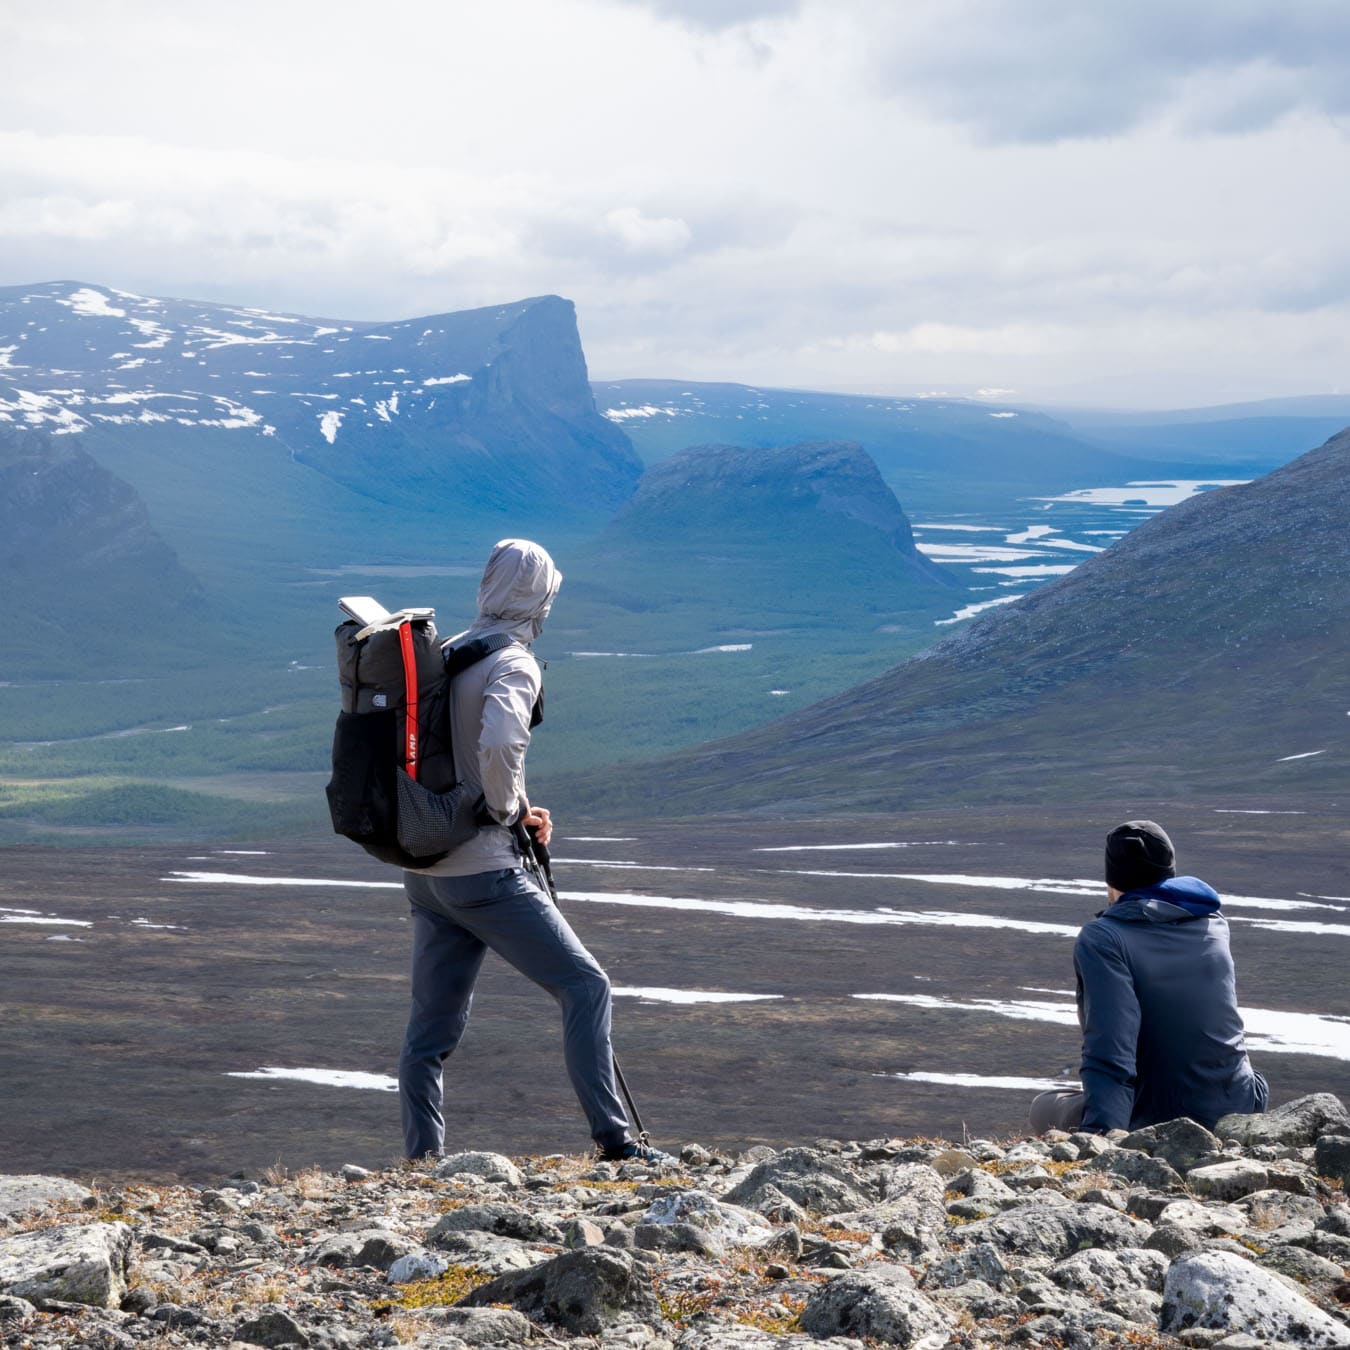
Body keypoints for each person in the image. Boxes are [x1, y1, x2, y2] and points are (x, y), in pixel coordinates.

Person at [398, 538, 668, 1165]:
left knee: (430, 1031)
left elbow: (454, 754)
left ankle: (421, 1161)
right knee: (585, 986)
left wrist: (516, 805)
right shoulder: (513, 663)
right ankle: (616, 1142)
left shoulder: (444, 654)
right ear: (541, 598)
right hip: (485, 872)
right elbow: (496, 749)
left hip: (426, 870)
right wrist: (504, 812)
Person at [1029, 820, 1268, 1134]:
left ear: (1112, 880)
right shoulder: (1213, 923)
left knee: (1044, 1107)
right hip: (1237, 1103)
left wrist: (1103, 1136)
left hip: (1157, 1115)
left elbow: (1111, 1044)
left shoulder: (1104, 938)